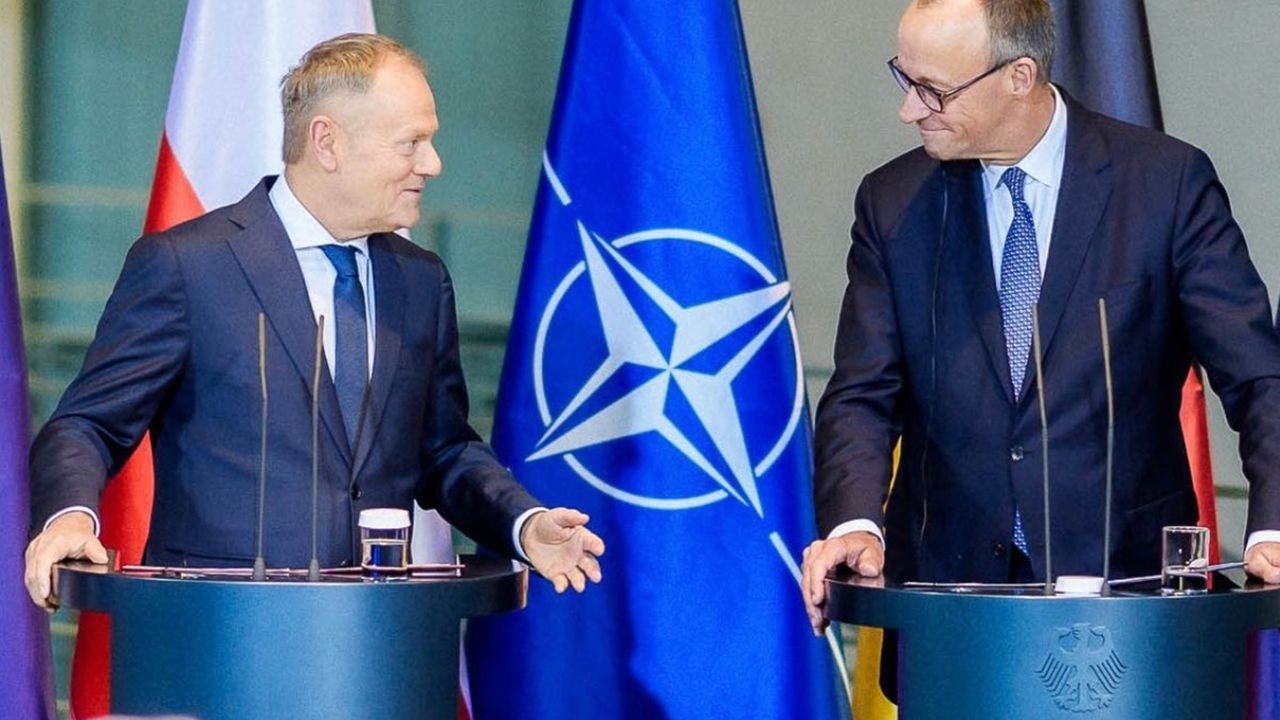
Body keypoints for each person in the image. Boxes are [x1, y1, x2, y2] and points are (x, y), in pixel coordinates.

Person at [24, 33, 604, 609]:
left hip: (375, 634)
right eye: (412, 142)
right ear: (327, 142)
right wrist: (69, 517)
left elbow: (444, 450)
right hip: (215, 630)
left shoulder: (421, 280)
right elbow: (88, 424)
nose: (433, 164)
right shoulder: (188, 266)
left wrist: (523, 523)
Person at [801, 0, 1280, 634]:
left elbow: (1258, 377)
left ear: (1019, 76)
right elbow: (861, 394)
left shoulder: (1165, 185)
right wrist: (855, 522)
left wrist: (1273, 525)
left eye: (934, 91)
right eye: (905, 79)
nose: (909, 110)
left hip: (1130, 601)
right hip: (948, 607)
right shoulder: (892, 204)